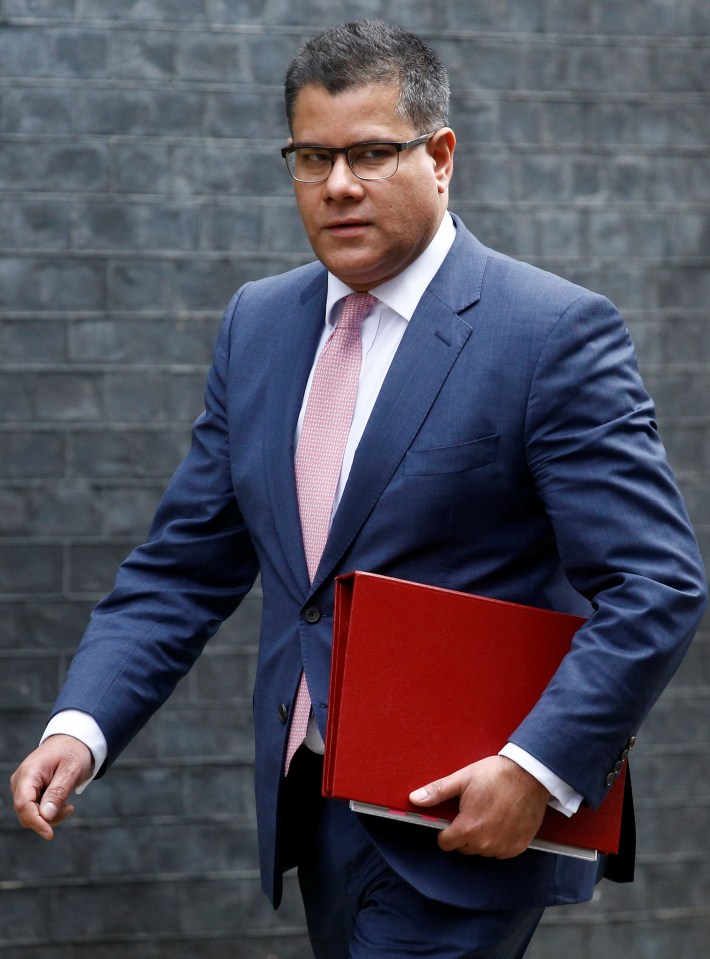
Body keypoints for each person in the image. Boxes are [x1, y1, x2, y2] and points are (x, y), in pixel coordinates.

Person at [10, 19, 707, 959]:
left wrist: (537, 769)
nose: (338, 184)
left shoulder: (550, 334)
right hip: (312, 813)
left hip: (465, 820)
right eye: (312, 156)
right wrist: (82, 725)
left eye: (372, 153)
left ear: (441, 156)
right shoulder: (258, 324)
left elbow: (657, 583)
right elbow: (183, 567)